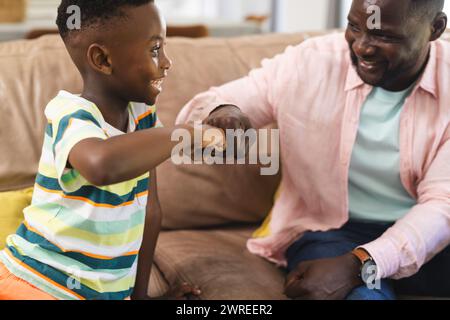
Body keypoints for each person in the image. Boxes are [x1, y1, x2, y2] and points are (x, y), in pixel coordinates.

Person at [176, 0, 450, 300]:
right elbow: (203, 113)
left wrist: (359, 265)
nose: (362, 47)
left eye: (384, 36)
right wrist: (223, 113)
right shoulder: (311, 62)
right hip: (334, 230)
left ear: (435, 28)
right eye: (354, 27)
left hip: (434, 237)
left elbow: (442, 207)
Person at [0, 0, 212, 300]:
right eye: (154, 50)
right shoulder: (70, 114)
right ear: (102, 59)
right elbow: (102, 165)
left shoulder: (143, 117)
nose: (166, 62)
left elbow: (150, 213)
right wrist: (185, 134)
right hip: (35, 281)